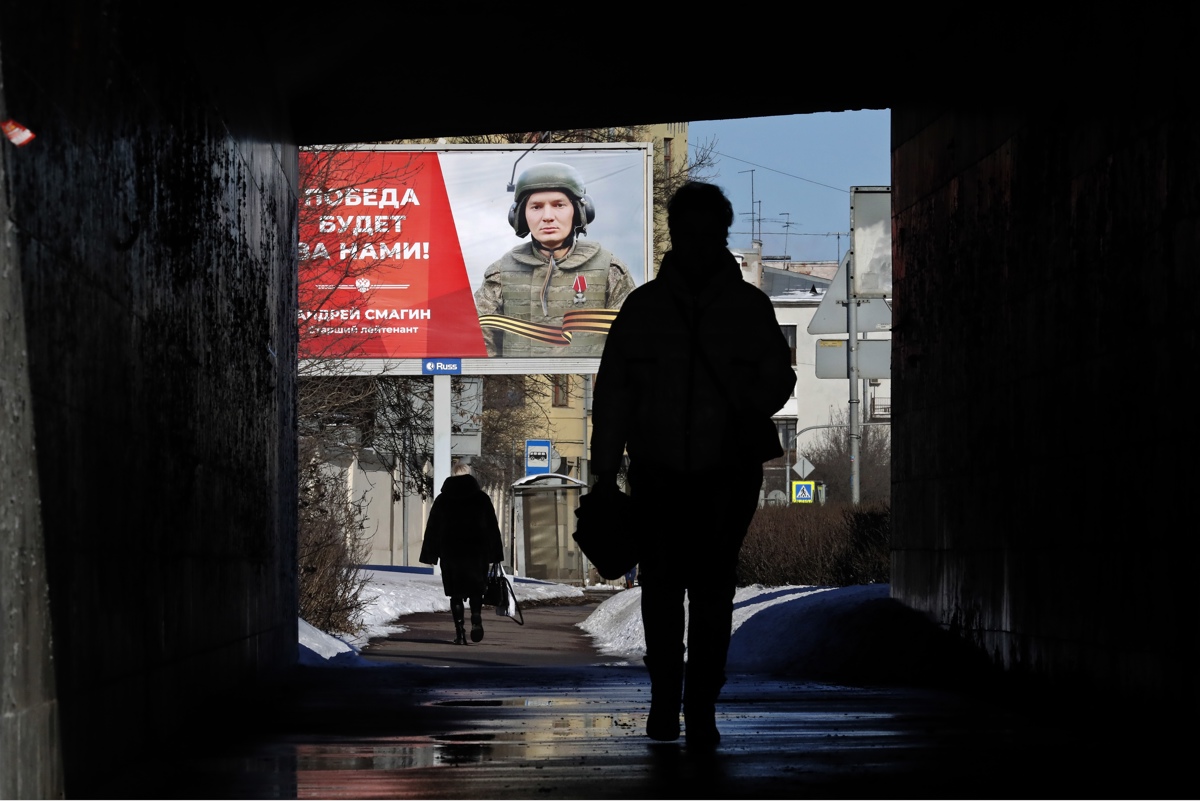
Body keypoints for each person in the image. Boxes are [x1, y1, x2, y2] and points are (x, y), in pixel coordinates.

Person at [588, 181, 797, 747]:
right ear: (678, 235)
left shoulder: (730, 307)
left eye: (710, 233)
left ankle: (696, 705)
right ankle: (671, 702)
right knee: (670, 590)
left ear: (720, 235)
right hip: (662, 472)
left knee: (704, 592)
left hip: (722, 475)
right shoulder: (650, 307)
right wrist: (605, 474)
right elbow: (613, 397)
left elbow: (780, 380)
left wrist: (607, 470)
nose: (702, 244)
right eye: (693, 232)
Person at [474, 161, 637, 357]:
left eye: (559, 205)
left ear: (578, 211)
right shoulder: (501, 274)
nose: (547, 216)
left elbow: (632, 343)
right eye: (536, 207)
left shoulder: (610, 271)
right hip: (517, 385)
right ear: (520, 216)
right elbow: (479, 343)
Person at [419, 463, 506, 645]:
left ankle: (459, 632)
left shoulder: (443, 500)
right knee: (476, 591)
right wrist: (495, 554)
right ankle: (476, 617)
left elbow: (433, 529)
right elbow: (492, 527)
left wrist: (430, 554)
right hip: (477, 553)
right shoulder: (481, 499)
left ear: (452, 475)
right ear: (470, 475)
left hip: (451, 554)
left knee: (455, 595)